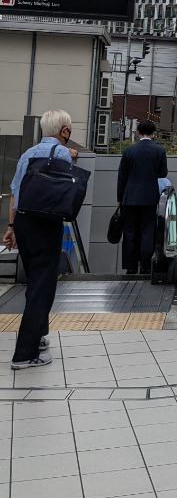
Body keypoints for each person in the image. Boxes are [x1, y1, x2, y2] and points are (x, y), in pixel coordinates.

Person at [5, 110, 74, 369]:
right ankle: (25, 353)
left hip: (23, 221)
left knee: (34, 281)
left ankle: (39, 335)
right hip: (45, 224)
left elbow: (14, 191)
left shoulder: (27, 154)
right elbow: (64, 191)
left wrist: (11, 227)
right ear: (63, 130)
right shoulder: (62, 153)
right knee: (42, 287)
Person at [117, 120, 168, 276]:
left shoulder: (129, 150)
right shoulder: (159, 150)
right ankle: (146, 267)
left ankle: (130, 267)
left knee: (130, 232)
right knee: (147, 231)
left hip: (130, 196)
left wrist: (120, 198)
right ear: (153, 133)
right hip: (149, 197)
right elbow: (162, 173)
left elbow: (122, 176)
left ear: (138, 132)